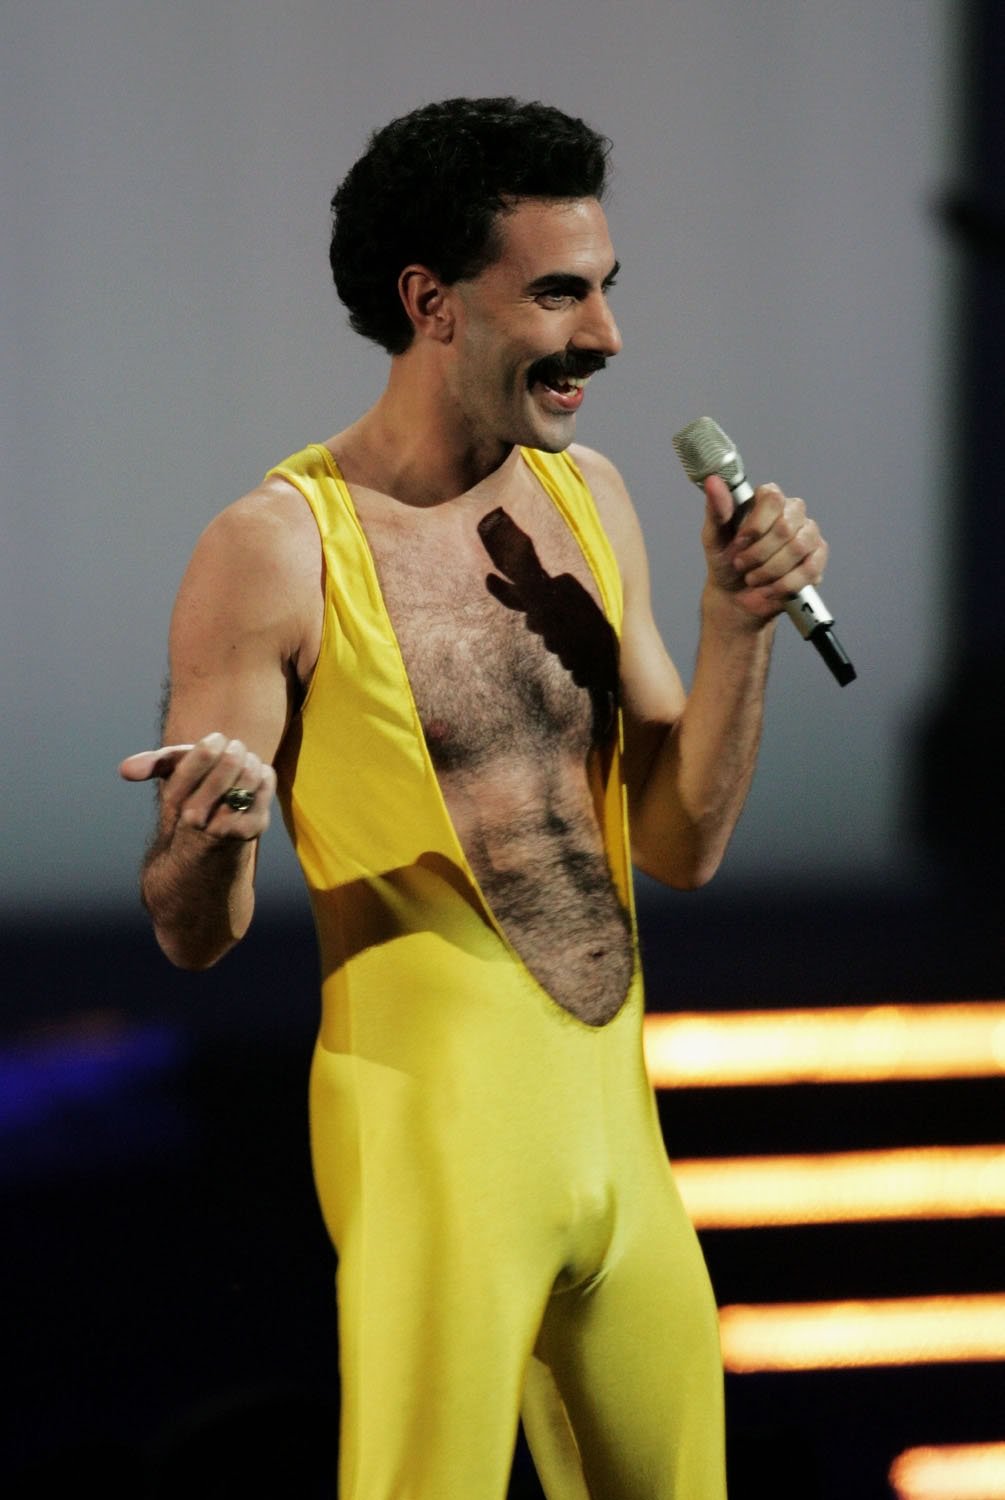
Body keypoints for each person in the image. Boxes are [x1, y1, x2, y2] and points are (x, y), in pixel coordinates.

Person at [121, 97, 828, 1499]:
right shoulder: (274, 550)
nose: (604, 335)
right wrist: (209, 841)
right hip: (433, 1138)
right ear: (430, 303)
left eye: (604, 287)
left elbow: (677, 843)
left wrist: (737, 626)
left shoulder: (593, 498)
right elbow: (190, 933)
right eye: (558, 293)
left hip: (619, 1141)